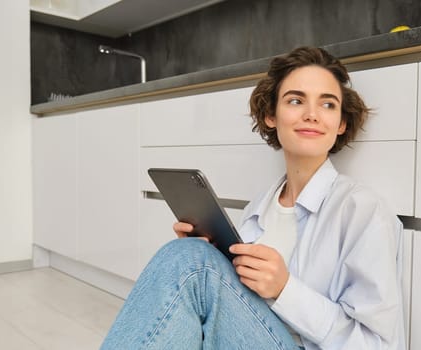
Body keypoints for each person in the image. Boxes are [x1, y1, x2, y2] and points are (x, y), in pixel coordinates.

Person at [101, 46, 405, 349]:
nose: (312, 115)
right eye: (296, 100)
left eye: (327, 105)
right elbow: (234, 306)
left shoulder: (362, 210)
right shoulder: (257, 210)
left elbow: (376, 344)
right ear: (271, 115)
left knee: (191, 263)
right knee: (191, 254)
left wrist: (285, 290)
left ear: (340, 124)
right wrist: (209, 256)